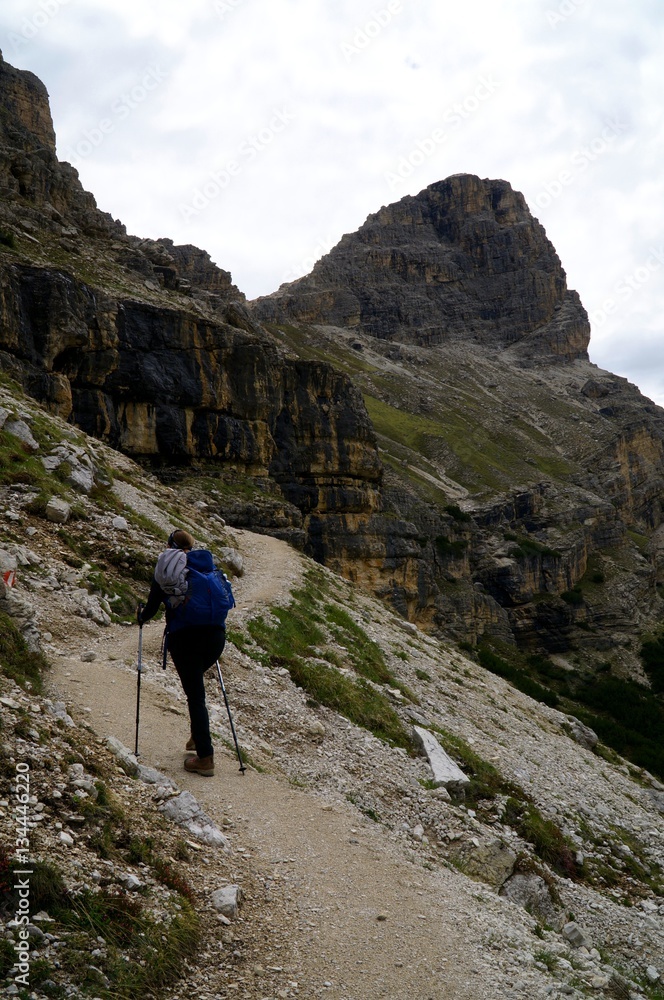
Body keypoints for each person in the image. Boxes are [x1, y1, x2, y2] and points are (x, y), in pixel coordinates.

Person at [138, 529, 228, 777]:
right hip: (216, 638)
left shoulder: (168, 569)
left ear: (170, 545)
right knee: (196, 688)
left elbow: (153, 607)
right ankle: (198, 736)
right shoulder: (206, 567)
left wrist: (141, 616)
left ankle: (206, 758)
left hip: (185, 638)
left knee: (195, 695)